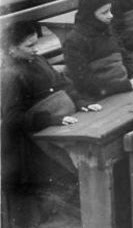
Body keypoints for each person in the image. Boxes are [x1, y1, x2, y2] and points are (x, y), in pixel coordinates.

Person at [2, 22, 99, 227]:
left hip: (58, 130)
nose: (36, 49)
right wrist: (51, 119)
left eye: (36, 43)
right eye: (29, 46)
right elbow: (12, 119)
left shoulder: (37, 60)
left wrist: (80, 103)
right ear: (11, 49)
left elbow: (63, 83)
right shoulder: (10, 75)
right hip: (32, 146)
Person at [64, 0, 133, 102]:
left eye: (110, 10)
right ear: (90, 15)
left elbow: (124, 55)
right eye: (104, 12)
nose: (111, 15)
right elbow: (85, 83)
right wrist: (122, 86)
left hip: (123, 86)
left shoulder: (107, 28)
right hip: (100, 97)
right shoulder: (74, 41)